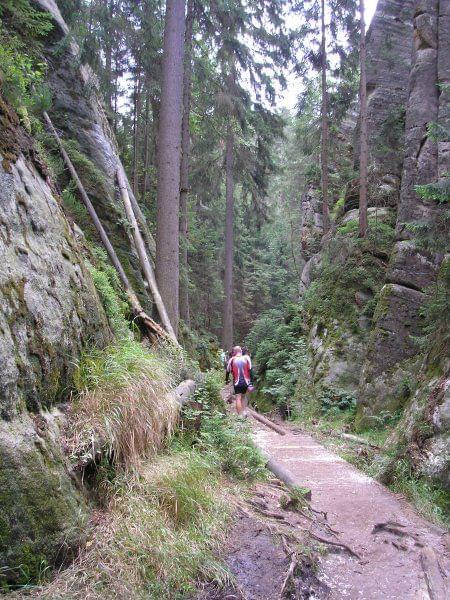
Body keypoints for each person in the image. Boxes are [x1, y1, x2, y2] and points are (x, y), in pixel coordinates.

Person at [226, 345, 253, 416]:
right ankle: (244, 412)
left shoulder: (231, 359)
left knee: (238, 397)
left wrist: (226, 380)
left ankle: (240, 415)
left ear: (234, 352)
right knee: (243, 396)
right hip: (246, 381)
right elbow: (251, 370)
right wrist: (251, 383)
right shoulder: (247, 358)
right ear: (241, 351)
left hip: (237, 382)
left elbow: (227, 371)